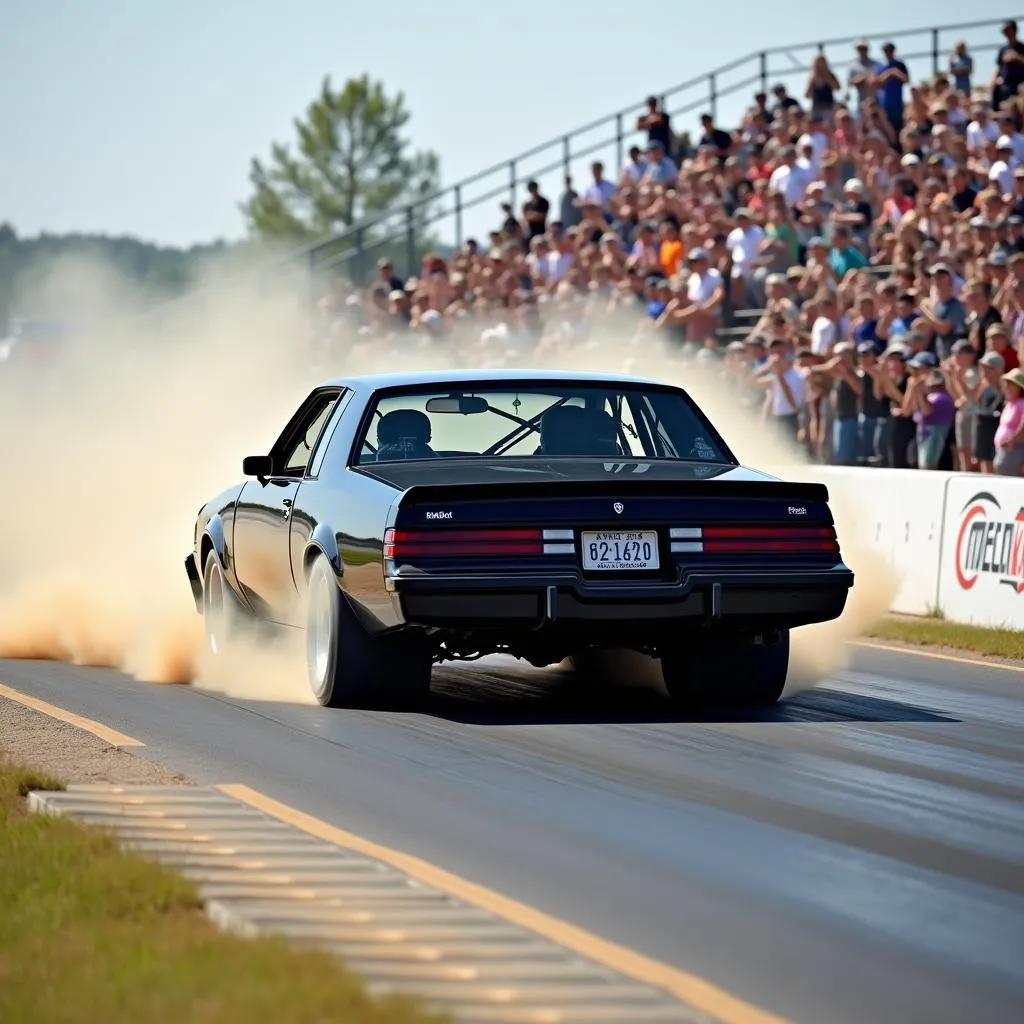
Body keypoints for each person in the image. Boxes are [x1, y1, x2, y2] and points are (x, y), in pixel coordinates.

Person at [994, 366, 1024, 474]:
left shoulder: (1022, 403)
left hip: (1015, 450)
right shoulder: (1010, 403)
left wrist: (1011, 441)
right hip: (1004, 450)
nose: (1006, 387)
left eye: (1010, 384)